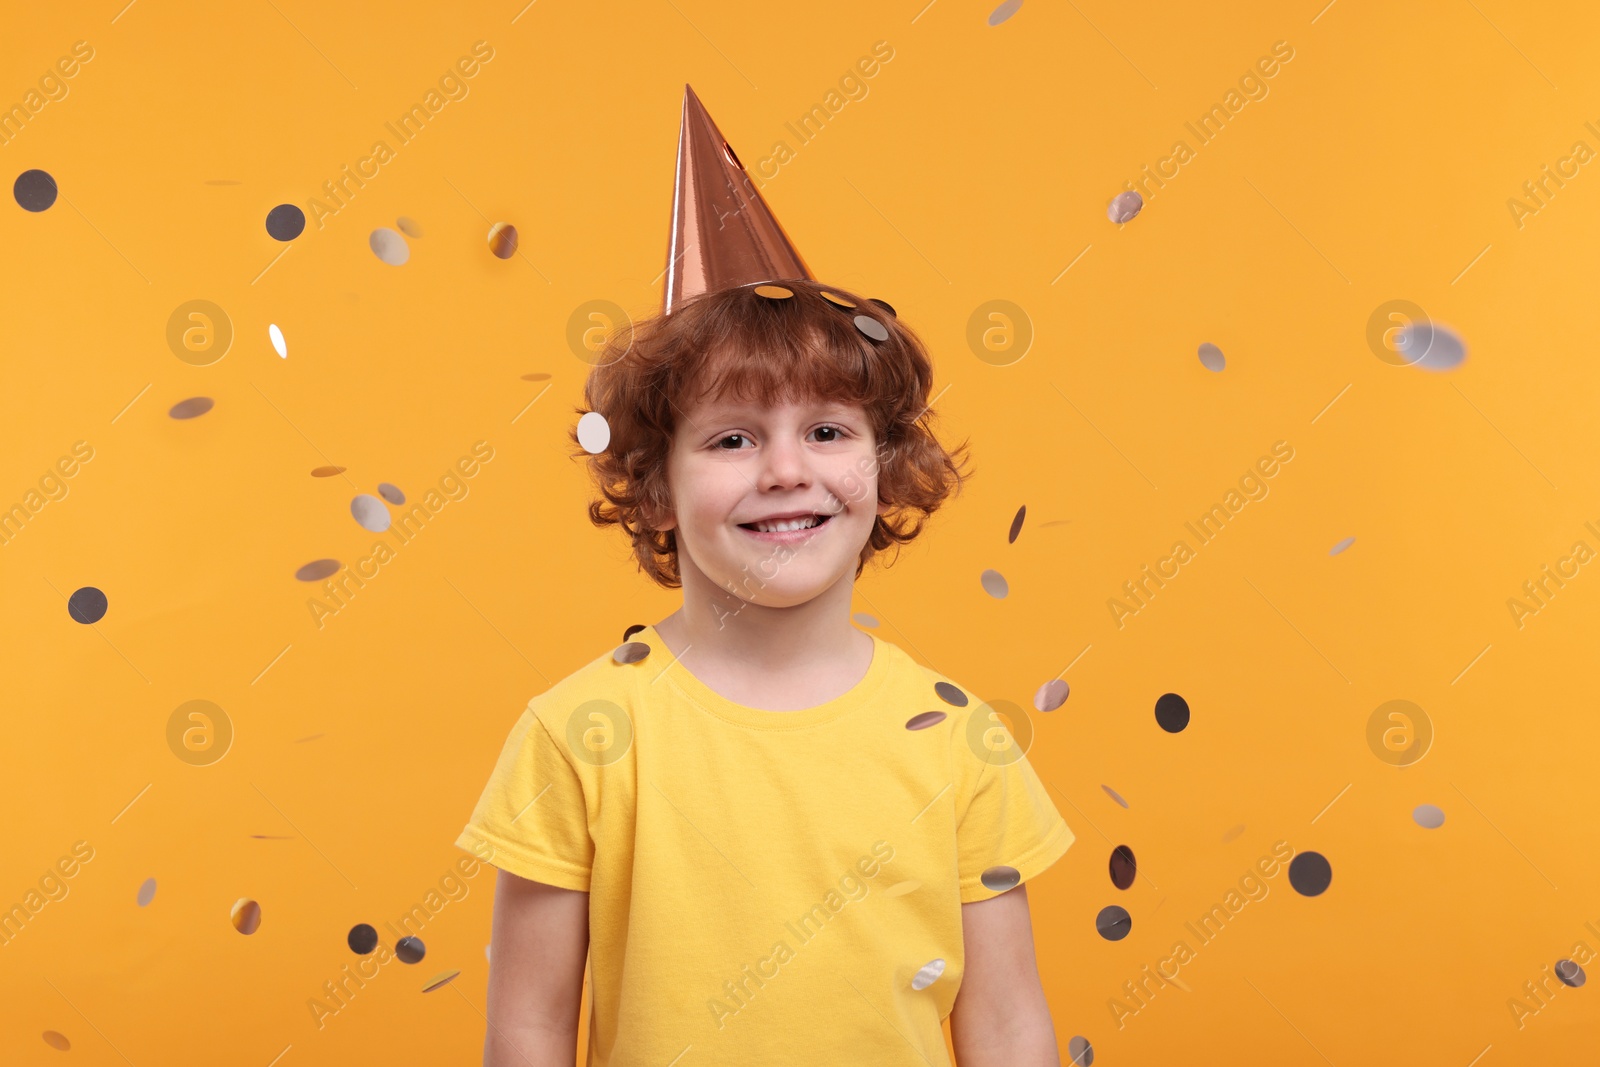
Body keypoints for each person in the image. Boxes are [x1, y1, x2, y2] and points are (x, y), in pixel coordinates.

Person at [454, 85, 1075, 1067]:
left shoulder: (960, 739)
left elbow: (1004, 1021)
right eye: (734, 437)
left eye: (826, 431)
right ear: (653, 487)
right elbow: (527, 1028)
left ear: (884, 464)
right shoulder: (577, 735)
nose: (786, 470)